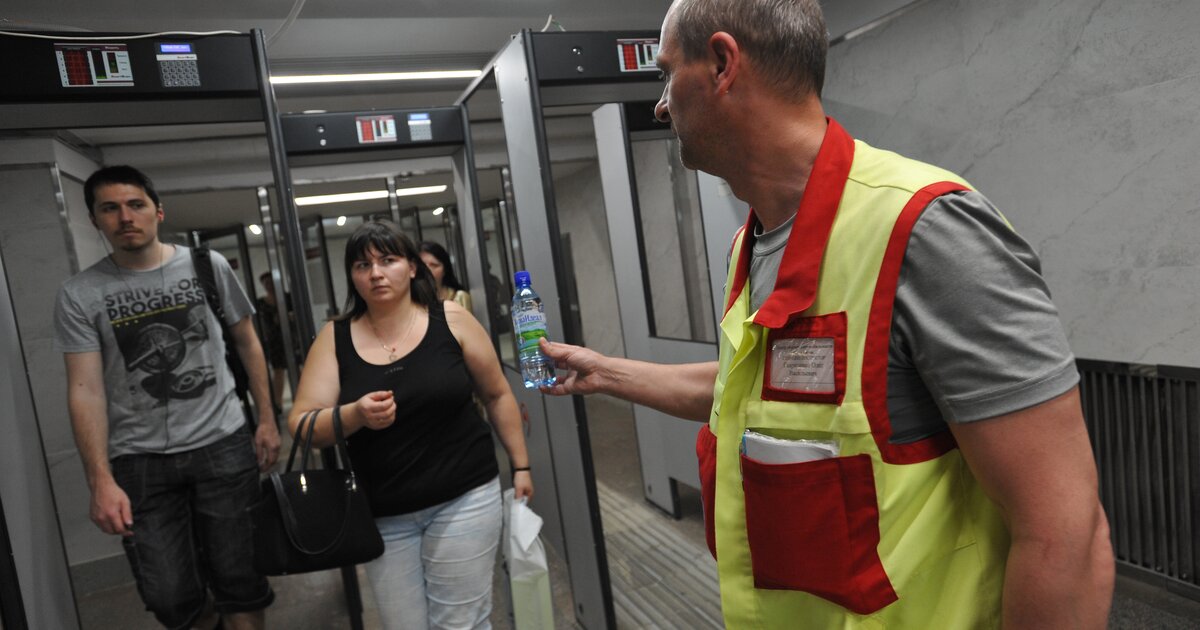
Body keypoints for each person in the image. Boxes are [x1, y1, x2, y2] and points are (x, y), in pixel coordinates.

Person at [539, 0, 1114, 627]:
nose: (659, 105)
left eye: (665, 74)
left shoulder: (925, 229)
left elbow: (1065, 534)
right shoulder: (750, 246)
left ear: (723, 64)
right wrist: (605, 373)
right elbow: (749, 394)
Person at [54, 165, 280, 629]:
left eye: (135, 204)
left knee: (240, 577)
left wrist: (267, 420)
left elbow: (248, 342)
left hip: (222, 442)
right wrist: (99, 479)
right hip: (138, 460)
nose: (125, 217)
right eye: (110, 208)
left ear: (157, 211)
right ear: (95, 220)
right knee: (169, 595)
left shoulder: (206, 266)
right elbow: (85, 388)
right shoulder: (80, 294)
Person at [290, 220, 533, 629]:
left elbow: (496, 394)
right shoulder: (335, 337)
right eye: (362, 265)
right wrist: (354, 414)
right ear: (352, 276)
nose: (376, 273)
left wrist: (521, 465)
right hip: (384, 511)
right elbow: (302, 424)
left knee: (461, 623)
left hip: (465, 496)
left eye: (388, 260)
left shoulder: (450, 319)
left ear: (413, 268)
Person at [254, 270, 298, 409]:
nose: (269, 285)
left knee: (299, 368)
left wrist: (289, 317)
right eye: (266, 283)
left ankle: (306, 398)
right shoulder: (260, 303)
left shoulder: (289, 298)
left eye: (271, 282)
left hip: (292, 339)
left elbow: (298, 315)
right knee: (278, 371)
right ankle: (277, 403)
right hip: (274, 341)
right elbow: (260, 323)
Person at [419, 240, 473, 312]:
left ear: (445, 270)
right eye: (422, 265)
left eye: (434, 265)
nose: (427, 270)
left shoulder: (459, 297)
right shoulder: (409, 300)